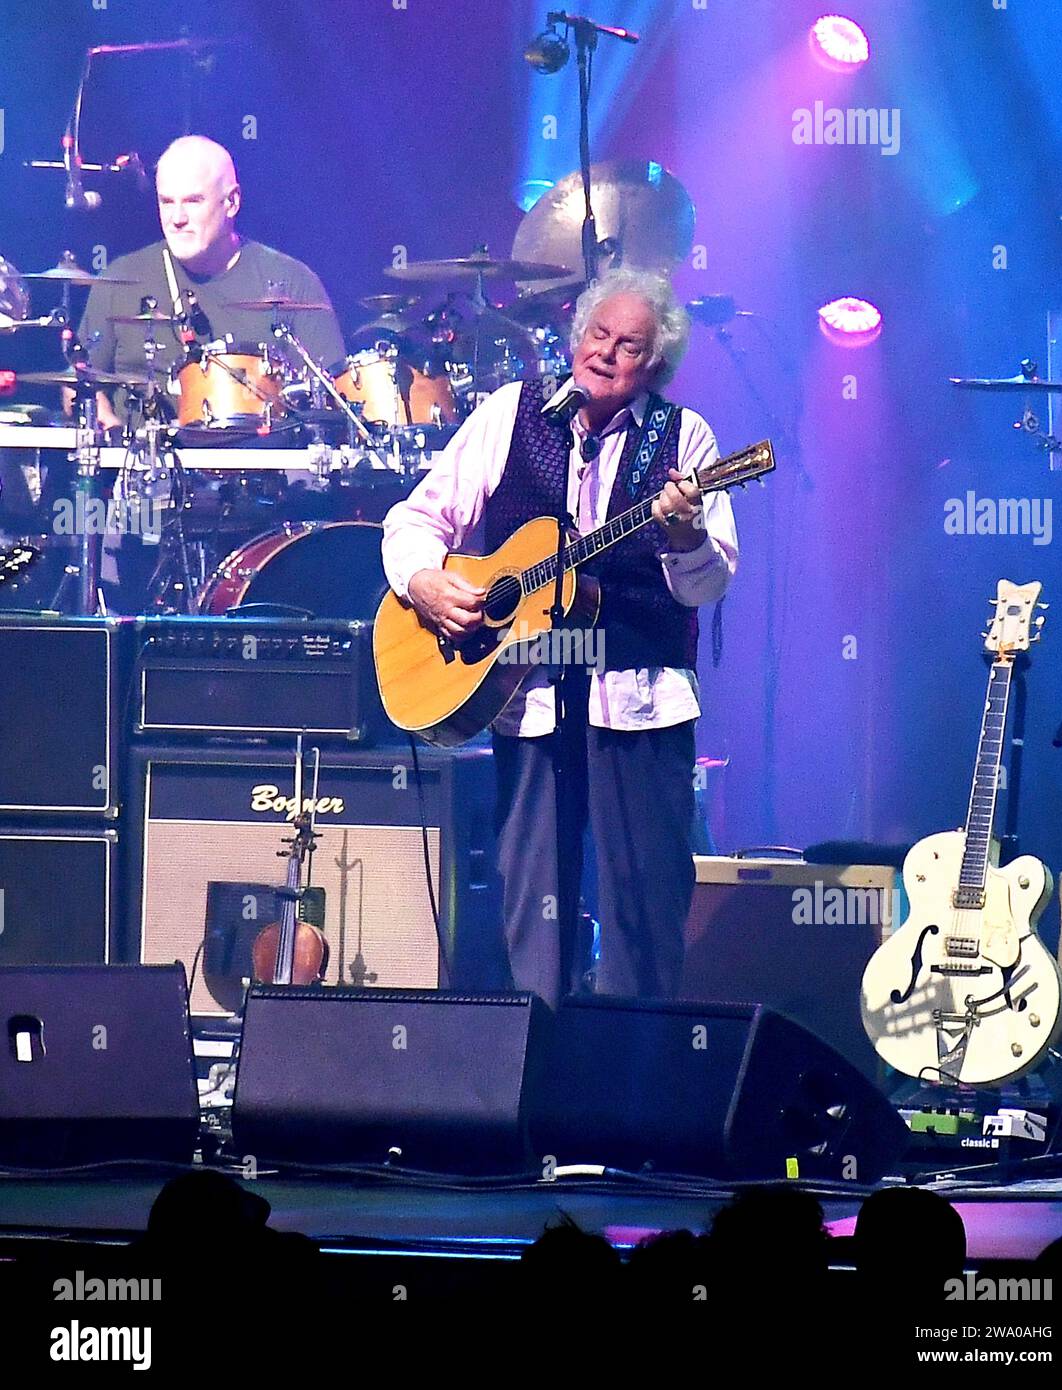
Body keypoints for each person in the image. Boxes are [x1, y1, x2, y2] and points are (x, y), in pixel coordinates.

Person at [381, 267, 738, 1006]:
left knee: (643, 909)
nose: (606, 353)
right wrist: (423, 582)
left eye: (629, 345)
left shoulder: (686, 438)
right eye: (599, 335)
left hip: (637, 700)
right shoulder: (511, 413)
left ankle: (636, 1088)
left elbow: (709, 583)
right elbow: (413, 520)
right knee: (533, 913)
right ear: (577, 338)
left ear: (654, 364)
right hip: (530, 698)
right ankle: (537, 1082)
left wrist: (684, 535)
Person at [74, 135, 345, 429]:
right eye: (166, 202)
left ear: (231, 202)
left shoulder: (292, 282)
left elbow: (331, 400)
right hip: (145, 467)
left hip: (264, 465)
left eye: (193, 201)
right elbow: (80, 381)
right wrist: (111, 433)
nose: (177, 218)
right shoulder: (122, 278)